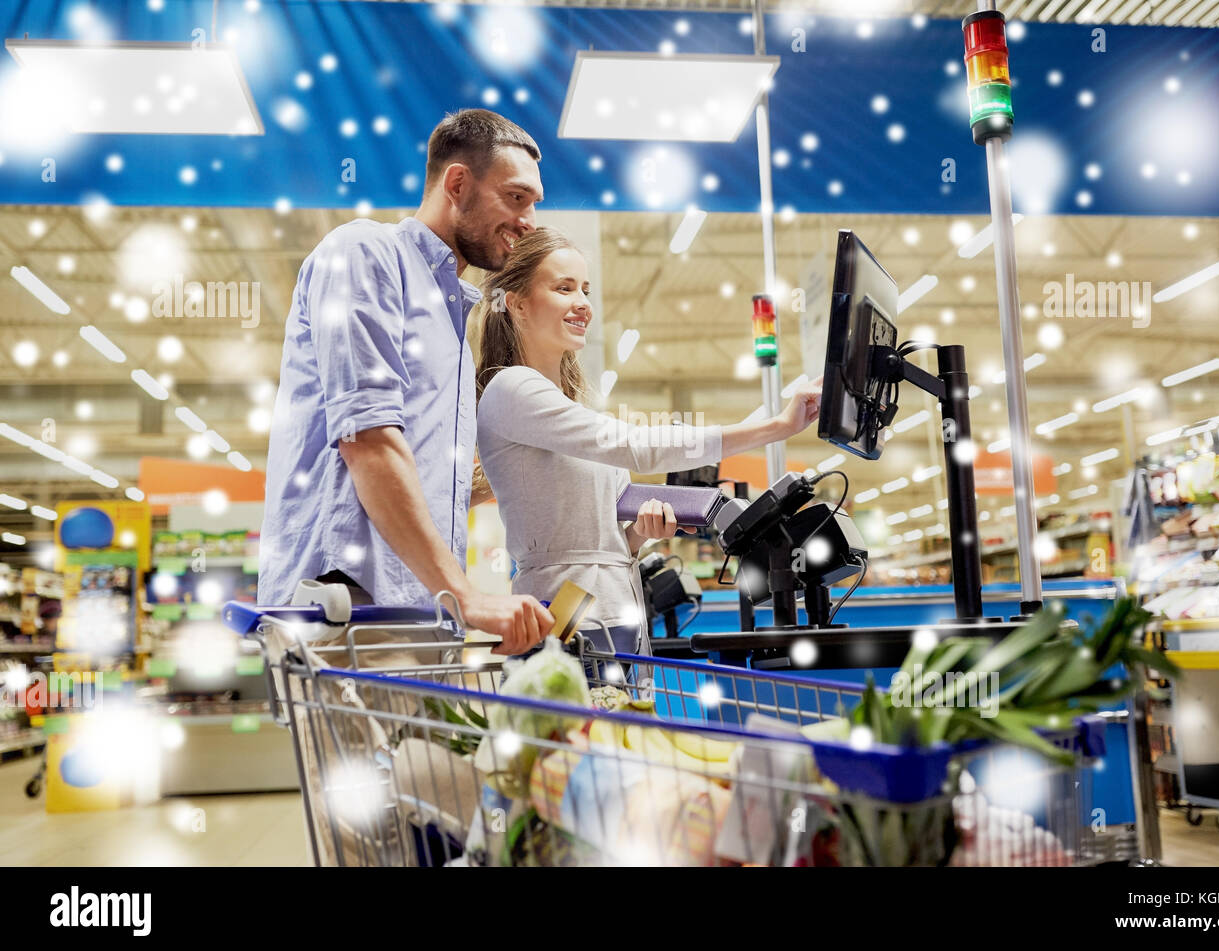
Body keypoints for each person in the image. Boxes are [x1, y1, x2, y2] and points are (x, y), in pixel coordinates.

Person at [259, 109, 554, 655]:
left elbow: (429, 481)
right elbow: (368, 441)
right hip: (343, 608)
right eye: (516, 198)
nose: (529, 220)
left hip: (415, 615)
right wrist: (465, 597)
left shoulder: (453, 325)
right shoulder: (365, 253)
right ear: (458, 184)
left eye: (534, 203)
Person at [476, 227, 823, 654]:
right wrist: (775, 428)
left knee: (622, 717)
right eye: (563, 288)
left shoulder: (568, 408)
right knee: (581, 717)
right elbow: (637, 447)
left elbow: (596, 542)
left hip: (610, 611)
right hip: (563, 617)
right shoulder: (512, 389)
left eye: (585, 289)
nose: (582, 303)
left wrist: (638, 537)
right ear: (517, 304)